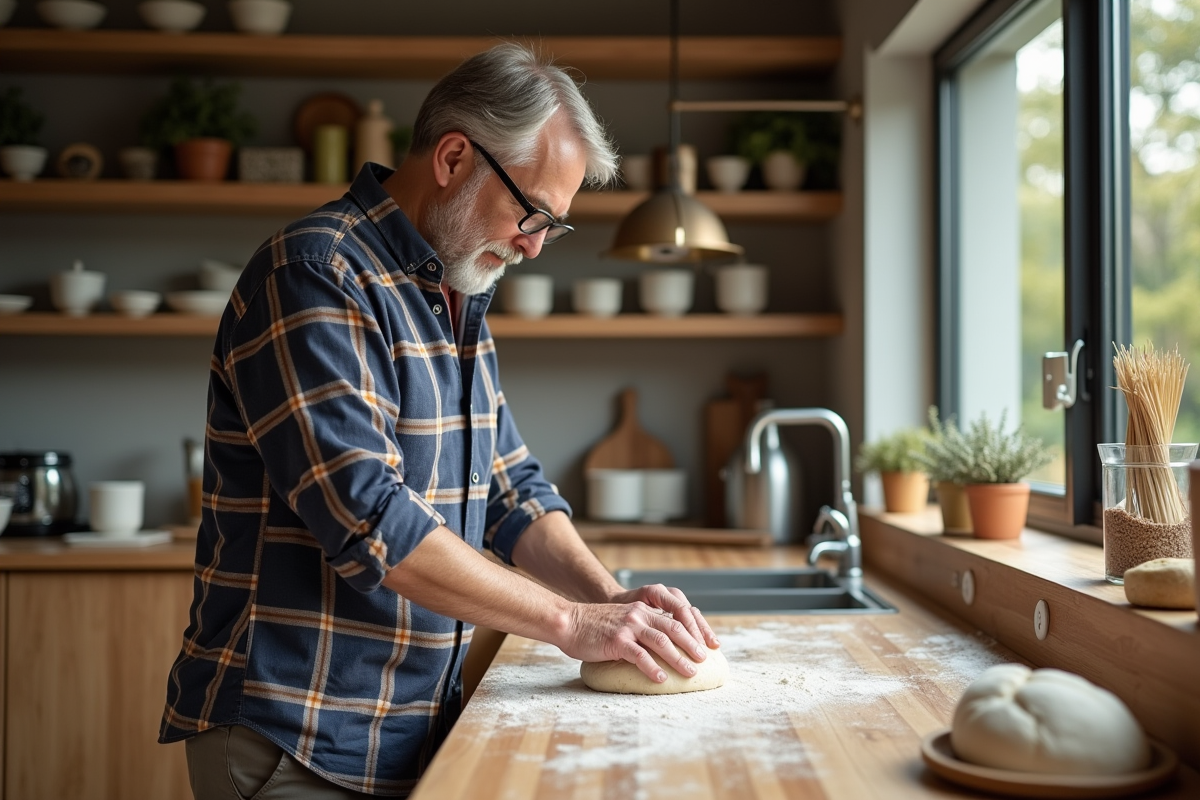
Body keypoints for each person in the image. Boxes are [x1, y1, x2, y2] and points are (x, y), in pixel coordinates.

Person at [160, 43, 719, 799]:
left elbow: (511, 490)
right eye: (532, 213)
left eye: (554, 227)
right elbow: (372, 524)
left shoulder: (455, 292)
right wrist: (570, 624)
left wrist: (606, 598)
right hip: (295, 738)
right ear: (455, 157)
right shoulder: (316, 275)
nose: (533, 246)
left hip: (403, 729)